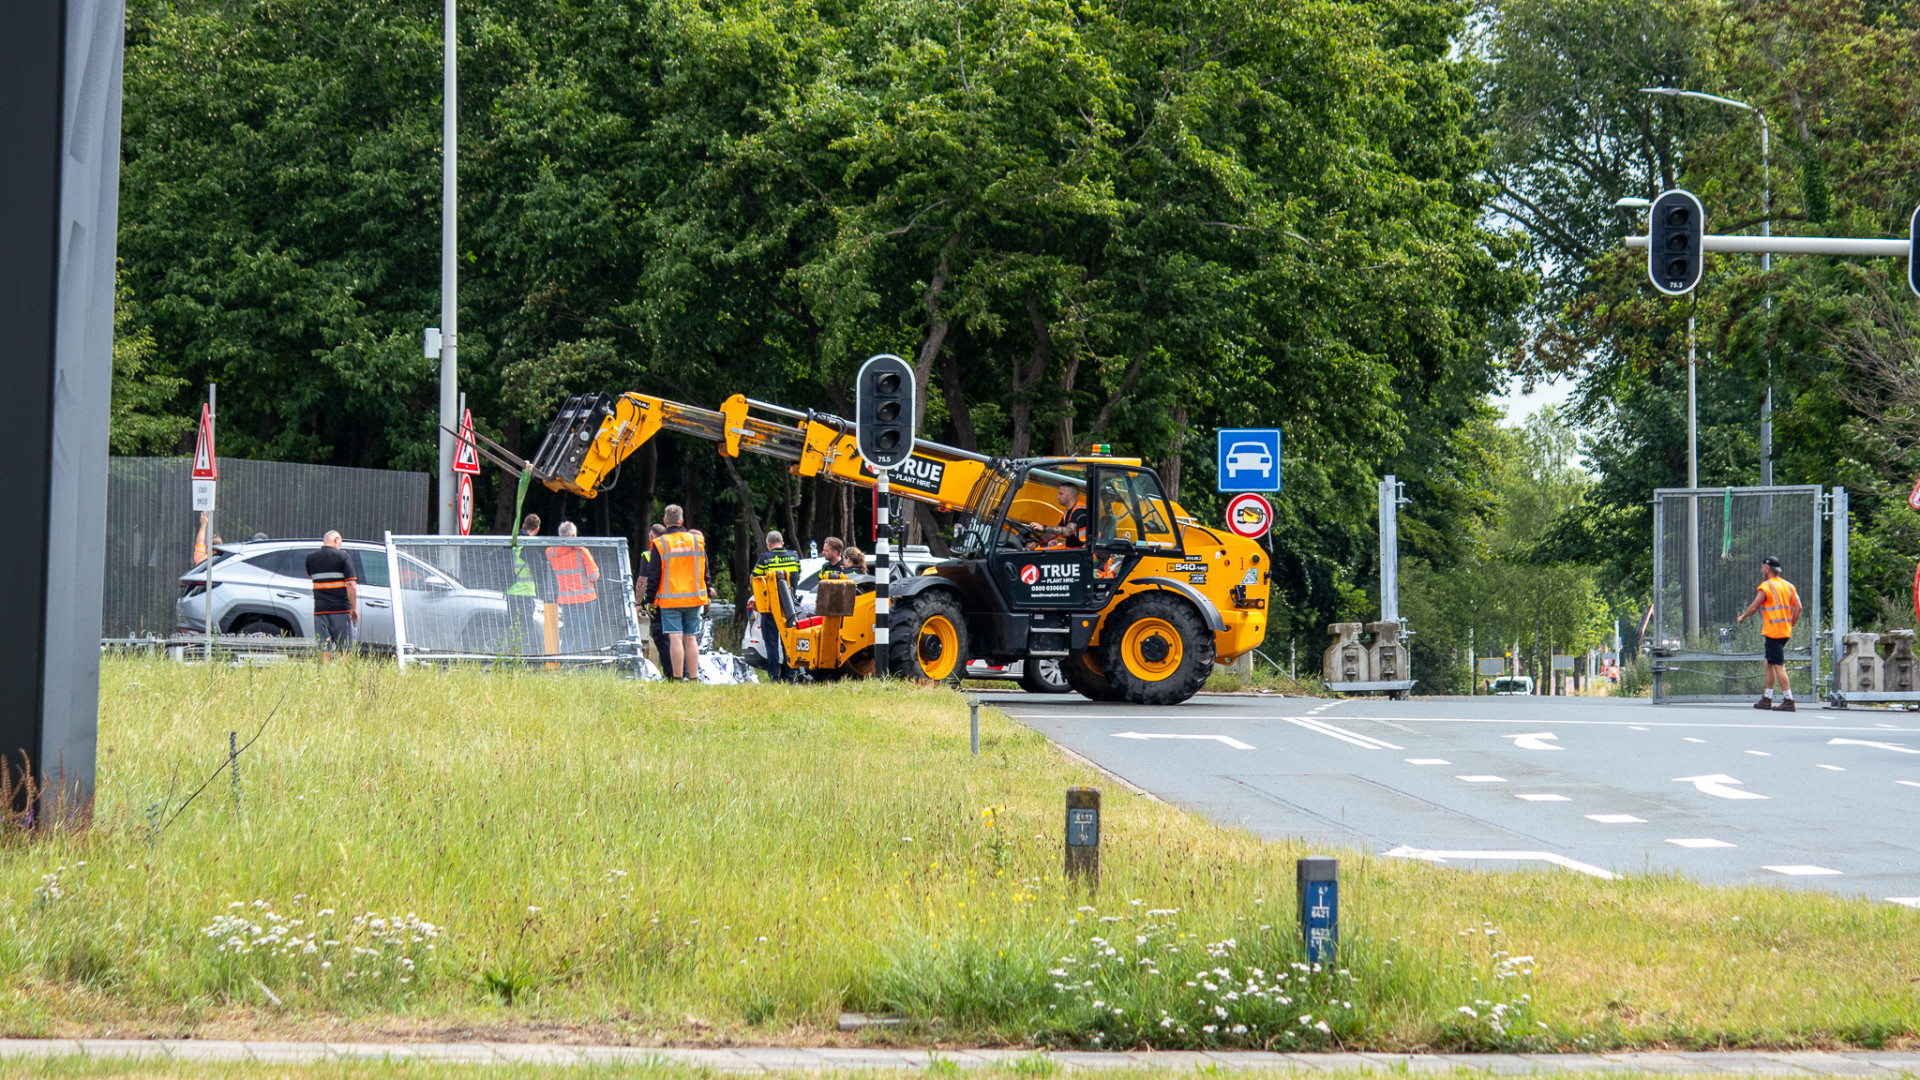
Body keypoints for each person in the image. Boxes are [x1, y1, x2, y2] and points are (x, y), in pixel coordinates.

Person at [648, 504, 710, 681]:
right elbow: (705, 569)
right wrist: (707, 593)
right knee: (691, 638)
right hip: (694, 598)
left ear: (665, 521)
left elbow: (654, 574)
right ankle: (693, 677)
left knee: (675, 637)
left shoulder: (660, 543)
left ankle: (677, 678)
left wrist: (650, 599)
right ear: (682, 521)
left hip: (670, 600)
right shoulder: (697, 541)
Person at [1737, 554, 1803, 710]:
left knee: (1778, 665)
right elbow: (1798, 607)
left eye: (1762, 567)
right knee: (1769, 662)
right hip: (1784, 631)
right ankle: (1767, 698)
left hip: (1773, 632)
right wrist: (1790, 624)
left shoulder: (1766, 586)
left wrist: (1743, 616)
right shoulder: (1788, 586)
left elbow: (1754, 607)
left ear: (1767, 568)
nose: (1761, 570)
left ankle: (1789, 700)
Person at [545, 521, 601, 655]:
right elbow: (593, 576)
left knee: (568, 633)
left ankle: (565, 661)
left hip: (566, 600)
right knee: (584, 634)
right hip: (586, 599)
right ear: (573, 535)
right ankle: (583, 662)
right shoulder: (581, 552)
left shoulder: (551, 552)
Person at [753, 529, 801, 682]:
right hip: (789, 608)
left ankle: (774, 677)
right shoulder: (794, 557)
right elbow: (797, 576)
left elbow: (755, 579)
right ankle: (790, 676)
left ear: (768, 544)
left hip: (770, 608)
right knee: (789, 642)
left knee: (771, 643)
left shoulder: (765, 559)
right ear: (782, 542)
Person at [305, 530, 358, 657]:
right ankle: (344, 669)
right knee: (345, 648)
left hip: (320, 610)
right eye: (340, 543)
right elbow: (351, 584)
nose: (340, 546)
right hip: (341, 610)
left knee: (323, 647)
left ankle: (325, 669)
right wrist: (354, 608)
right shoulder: (343, 556)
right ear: (336, 540)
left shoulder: (310, 558)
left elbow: (310, 575)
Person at [502, 513, 543, 655]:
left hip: (510, 591)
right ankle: (525, 655)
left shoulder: (512, 543)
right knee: (526, 628)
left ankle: (511, 655)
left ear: (524, 525)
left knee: (512, 626)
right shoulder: (528, 546)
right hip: (525, 593)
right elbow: (539, 570)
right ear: (537, 529)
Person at [638, 523, 670, 668]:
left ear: (651, 537)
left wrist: (638, 603)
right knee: (675, 636)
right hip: (673, 600)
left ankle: (669, 671)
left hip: (655, 603)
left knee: (660, 637)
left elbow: (643, 580)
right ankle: (681, 671)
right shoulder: (672, 553)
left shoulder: (649, 554)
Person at [1030, 482, 1090, 546]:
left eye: (1061, 494)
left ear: (1071, 496)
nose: (1057, 497)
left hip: (1082, 549)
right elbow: (1054, 533)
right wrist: (1036, 541)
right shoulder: (1068, 512)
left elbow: (1067, 531)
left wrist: (1043, 528)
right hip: (1071, 548)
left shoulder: (1080, 511)